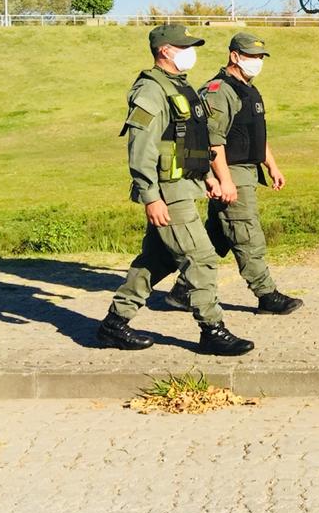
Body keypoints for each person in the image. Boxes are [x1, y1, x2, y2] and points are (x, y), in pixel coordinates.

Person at [97, 24, 254, 355]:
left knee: (157, 260)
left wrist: (207, 177)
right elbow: (141, 149)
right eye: (184, 46)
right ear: (164, 51)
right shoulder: (151, 91)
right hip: (167, 192)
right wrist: (150, 197)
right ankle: (212, 330)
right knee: (201, 258)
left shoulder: (178, 87)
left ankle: (114, 324)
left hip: (185, 185)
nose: (190, 52)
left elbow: (187, 140)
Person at [167, 32, 303, 316]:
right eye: (251, 56)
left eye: (260, 57)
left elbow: (256, 134)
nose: (257, 62)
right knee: (246, 233)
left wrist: (271, 165)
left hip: (247, 171)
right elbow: (212, 141)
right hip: (232, 173)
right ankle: (266, 295)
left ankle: (184, 291)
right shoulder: (219, 91)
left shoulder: (248, 89)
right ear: (234, 56)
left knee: (219, 235)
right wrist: (223, 179)